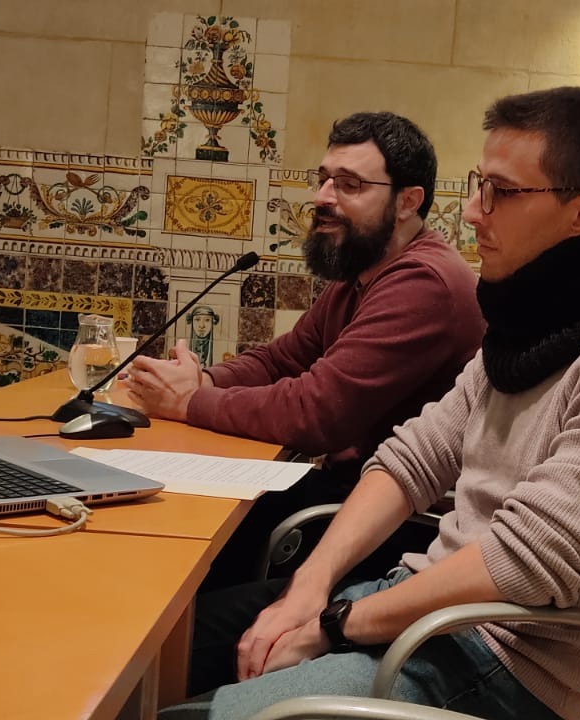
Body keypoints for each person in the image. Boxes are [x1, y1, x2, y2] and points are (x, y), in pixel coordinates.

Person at [161, 86, 580, 720]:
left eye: (500, 192)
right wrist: (309, 589)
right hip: (422, 608)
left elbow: (523, 563)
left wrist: (335, 623)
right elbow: (413, 458)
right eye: (480, 185)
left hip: (503, 664)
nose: (473, 213)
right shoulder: (532, 330)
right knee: (162, 650)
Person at [126, 112, 484, 590]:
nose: (323, 197)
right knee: (169, 534)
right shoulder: (364, 271)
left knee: (188, 588)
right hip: (343, 499)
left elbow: (317, 412)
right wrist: (204, 380)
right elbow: (283, 360)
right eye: (324, 179)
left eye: (349, 184)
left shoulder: (424, 283)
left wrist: (189, 402)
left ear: (407, 202)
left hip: (389, 531)